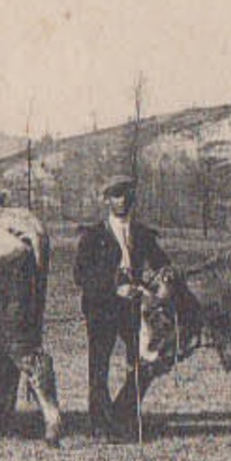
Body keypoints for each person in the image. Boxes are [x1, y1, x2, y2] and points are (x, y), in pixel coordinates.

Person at [72, 175, 171, 440]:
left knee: (142, 363)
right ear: (107, 199)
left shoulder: (142, 234)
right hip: (101, 310)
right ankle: (101, 425)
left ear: (133, 197)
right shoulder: (93, 235)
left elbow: (163, 264)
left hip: (133, 310)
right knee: (99, 367)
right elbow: (80, 275)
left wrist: (155, 284)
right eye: (116, 194)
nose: (122, 199)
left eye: (126, 193)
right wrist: (114, 288)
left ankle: (125, 415)